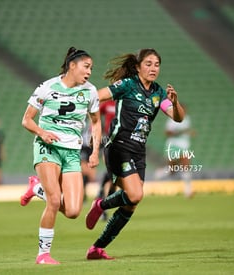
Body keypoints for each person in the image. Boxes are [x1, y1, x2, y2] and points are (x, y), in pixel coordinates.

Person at [84, 48, 185, 260]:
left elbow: (178, 118)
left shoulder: (158, 92)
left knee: (131, 204)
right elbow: (100, 95)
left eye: (156, 64)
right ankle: (101, 204)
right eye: (148, 64)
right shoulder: (128, 85)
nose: (153, 68)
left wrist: (175, 102)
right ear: (138, 67)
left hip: (138, 152)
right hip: (118, 147)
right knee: (136, 194)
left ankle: (97, 248)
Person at [20, 47, 101, 265]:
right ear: (72, 66)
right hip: (48, 148)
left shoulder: (90, 91)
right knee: (54, 200)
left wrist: (94, 151)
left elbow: (96, 122)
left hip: (72, 152)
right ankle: (43, 255)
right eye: (86, 66)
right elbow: (27, 120)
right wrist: (42, 132)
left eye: (91, 68)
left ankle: (36, 188)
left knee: (74, 211)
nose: (90, 72)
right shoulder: (47, 87)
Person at [165, 104, 196, 198]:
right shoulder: (172, 119)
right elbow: (167, 133)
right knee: (173, 170)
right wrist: (182, 132)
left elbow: (187, 131)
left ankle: (188, 191)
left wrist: (190, 133)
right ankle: (160, 174)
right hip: (174, 145)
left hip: (184, 145)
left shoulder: (187, 119)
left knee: (186, 165)